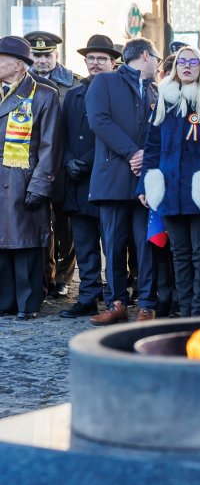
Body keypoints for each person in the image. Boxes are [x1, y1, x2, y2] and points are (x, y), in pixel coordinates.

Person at [138, 47, 200, 318]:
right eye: (182, 62)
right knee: (179, 253)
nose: (187, 66)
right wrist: (145, 184)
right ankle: (185, 311)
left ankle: (198, 312)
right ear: (175, 67)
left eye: (193, 62)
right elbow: (152, 146)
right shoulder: (165, 99)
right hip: (169, 190)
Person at [85, 37, 161, 324]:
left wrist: (146, 157)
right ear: (146, 56)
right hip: (113, 179)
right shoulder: (105, 82)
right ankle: (116, 303)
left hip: (145, 182)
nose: (159, 65)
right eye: (157, 59)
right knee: (114, 245)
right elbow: (99, 121)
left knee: (146, 246)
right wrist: (133, 152)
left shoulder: (154, 90)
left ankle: (147, 306)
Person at [0, 36, 61, 321]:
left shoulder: (43, 95)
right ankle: (5, 301)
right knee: (2, 243)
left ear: (19, 65)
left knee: (26, 242)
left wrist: (40, 185)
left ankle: (28, 302)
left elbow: (50, 146)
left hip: (23, 179)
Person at [26, 31, 78, 298]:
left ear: (57, 54)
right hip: (31, 163)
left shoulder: (73, 84)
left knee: (65, 224)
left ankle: (64, 276)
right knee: (39, 222)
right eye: (37, 55)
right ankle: (46, 275)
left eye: (47, 55)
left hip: (63, 163)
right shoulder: (22, 83)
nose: (42, 60)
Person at [58, 50, 105, 319]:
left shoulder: (116, 91)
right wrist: (68, 161)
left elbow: (113, 134)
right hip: (76, 182)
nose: (95, 63)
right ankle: (87, 297)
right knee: (85, 246)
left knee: (113, 247)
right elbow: (61, 134)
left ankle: (116, 299)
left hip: (103, 180)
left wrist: (85, 162)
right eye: (91, 58)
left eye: (102, 58)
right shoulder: (74, 94)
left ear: (113, 62)